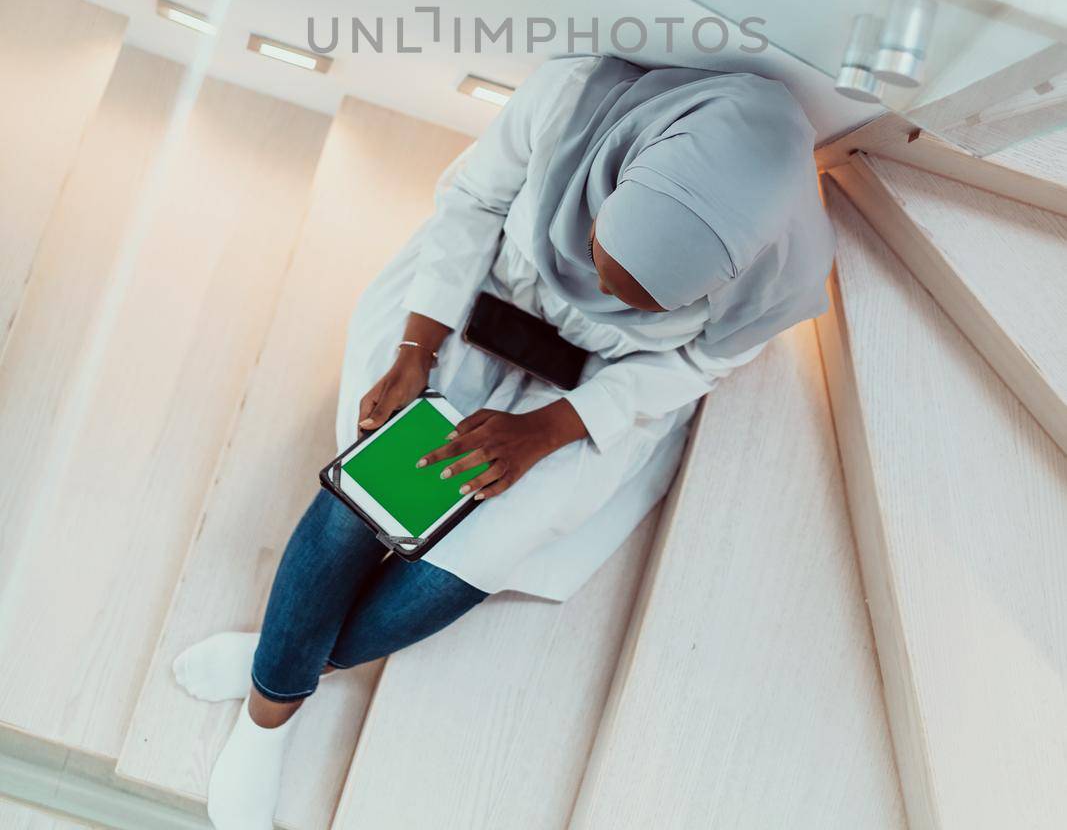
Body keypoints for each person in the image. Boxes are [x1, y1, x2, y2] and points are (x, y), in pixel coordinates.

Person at [174, 55, 834, 829]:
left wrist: (548, 431)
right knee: (372, 495)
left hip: (587, 394)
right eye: (598, 252)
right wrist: (414, 352)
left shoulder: (787, 271)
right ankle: (269, 718)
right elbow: (474, 200)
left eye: (639, 297)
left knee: (474, 556)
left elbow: (697, 360)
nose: (593, 285)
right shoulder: (573, 99)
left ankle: (277, 673)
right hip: (464, 313)